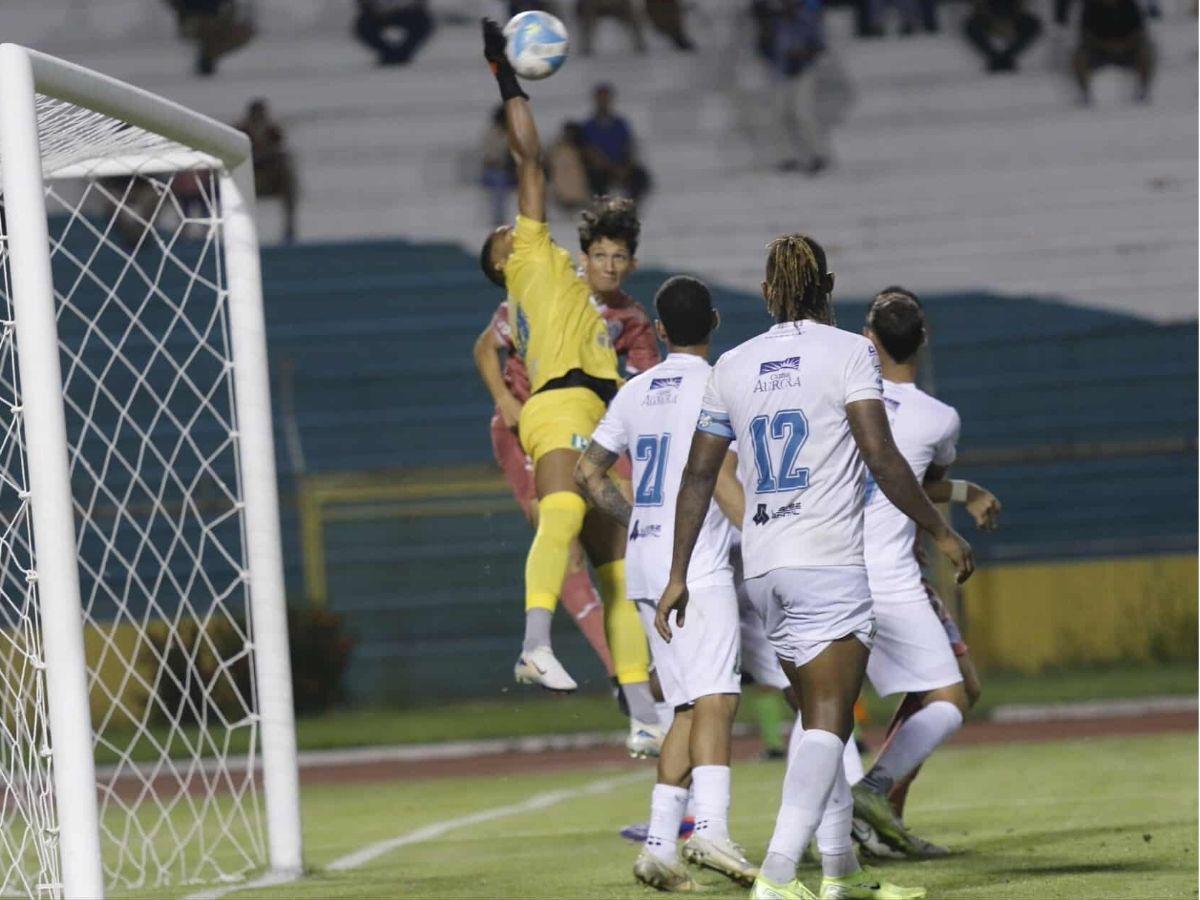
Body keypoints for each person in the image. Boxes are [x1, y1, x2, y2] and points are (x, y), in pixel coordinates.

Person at [657, 234, 973, 900]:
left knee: (818, 721)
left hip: (764, 567)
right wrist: (939, 528)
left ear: (768, 291)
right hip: (828, 559)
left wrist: (678, 573)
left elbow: (697, 475)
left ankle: (841, 874)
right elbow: (882, 457)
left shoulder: (734, 364)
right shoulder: (850, 353)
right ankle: (776, 875)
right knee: (831, 723)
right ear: (825, 285)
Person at [478, 19, 659, 756]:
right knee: (559, 510)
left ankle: (644, 713)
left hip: (600, 417)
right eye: (503, 234)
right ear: (502, 260)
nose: (512, 228)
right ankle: (533, 641)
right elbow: (530, 157)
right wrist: (505, 74)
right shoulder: (531, 261)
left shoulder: (582, 279)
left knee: (617, 568)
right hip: (556, 404)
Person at [578, 276, 758, 891]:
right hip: (696, 564)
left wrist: (638, 521)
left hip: (646, 562)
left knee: (684, 705)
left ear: (657, 330)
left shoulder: (635, 391)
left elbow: (588, 472)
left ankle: (661, 845)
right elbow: (725, 477)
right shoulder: (719, 385)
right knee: (717, 700)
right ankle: (710, 828)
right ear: (713, 321)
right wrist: (762, 542)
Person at [848, 288, 1002, 860]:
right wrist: (960, 499)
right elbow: (912, 474)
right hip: (891, 574)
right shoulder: (937, 418)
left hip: (828, 568)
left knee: (830, 710)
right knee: (953, 693)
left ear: (868, 340)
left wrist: (965, 493)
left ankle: (877, 818)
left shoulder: (842, 400)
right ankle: (870, 803)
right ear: (924, 339)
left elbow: (898, 475)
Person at [753, 0, 832, 175]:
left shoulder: (807, 20)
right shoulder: (773, 22)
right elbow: (762, 47)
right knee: (778, 115)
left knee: (803, 113)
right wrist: (775, 60)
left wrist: (802, 55)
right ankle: (785, 157)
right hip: (780, 73)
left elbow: (819, 46)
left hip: (803, 72)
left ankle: (817, 154)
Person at [1058, 0, 1155, 103]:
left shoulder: (1130, 5)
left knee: (1146, 52)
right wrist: (1106, 46)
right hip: (1099, 51)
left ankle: (1143, 91)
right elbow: (1085, 34)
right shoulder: (1091, 6)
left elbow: (1140, 32)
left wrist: (1124, 45)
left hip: (1127, 50)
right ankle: (1084, 94)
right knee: (1079, 57)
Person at [235, 99, 299, 244]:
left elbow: (278, 152)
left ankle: (289, 227)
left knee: (288, 177)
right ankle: (240, 230)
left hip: (269, 179)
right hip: (248, 179)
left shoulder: (273, 132)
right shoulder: (240, 132)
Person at [580, 84, 652, 204]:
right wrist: (609, 167)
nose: (603, 102)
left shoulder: (620, 123)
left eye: (606, 98)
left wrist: (625, 167)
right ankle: (602, 208)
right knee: (594, 179)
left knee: (640, 177)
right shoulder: (589, 125)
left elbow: (629, 146)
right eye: (601, 99)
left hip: (621, 165)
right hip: (601, 168)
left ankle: (631, 206)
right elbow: (589, 151)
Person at [168, 0, 255, 76]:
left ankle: (208, 56)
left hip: (213, 19)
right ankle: (207, 56)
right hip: (193, 20)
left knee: (243, 31)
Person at [962, 0, 1043, 73]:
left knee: (1032, 26)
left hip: (1013, 16)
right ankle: (1000, 58)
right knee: (971, 26)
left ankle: (1002, 58)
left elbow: (1021, 6)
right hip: (988, 16)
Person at [354, 0, 434, 66]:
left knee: (423, 23)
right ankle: (388, 53)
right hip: (377, 14)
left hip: (409, 12)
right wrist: (373, 8)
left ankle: (403, 53)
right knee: (364, 26)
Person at [481, 106, 516, 227]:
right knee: (499, 184)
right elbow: (490, 157)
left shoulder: (511, 133)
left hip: (510, 170)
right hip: (494, 170)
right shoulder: (492, 133)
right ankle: (498, 218)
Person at [547, 122, 592, 212]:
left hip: (580, 192)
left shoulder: (584, 150)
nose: (570, 136)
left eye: (572, 134)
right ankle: (567, 198)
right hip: (562, 192)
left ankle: (572, 198)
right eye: (568, 134)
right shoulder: (558, 149)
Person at [576, 0, 648, 55]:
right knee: (588, 13)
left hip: (619, 5)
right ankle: (585, 46)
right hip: (595, 5)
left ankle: (640, 43)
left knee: (632, 14)